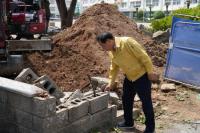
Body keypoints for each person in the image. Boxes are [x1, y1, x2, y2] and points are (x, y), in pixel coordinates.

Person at [96, 32, 157, 133]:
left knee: (146, 103)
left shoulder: (127, 42)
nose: (102, 48)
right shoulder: (111, 52)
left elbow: (144, 57)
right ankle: (128, 122)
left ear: (109, 41)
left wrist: (150, 72)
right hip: (129, 78)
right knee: (126, 99)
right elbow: (114, 68)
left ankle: (150, 128)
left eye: (102, 45)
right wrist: (111, 83)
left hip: (142, 76)